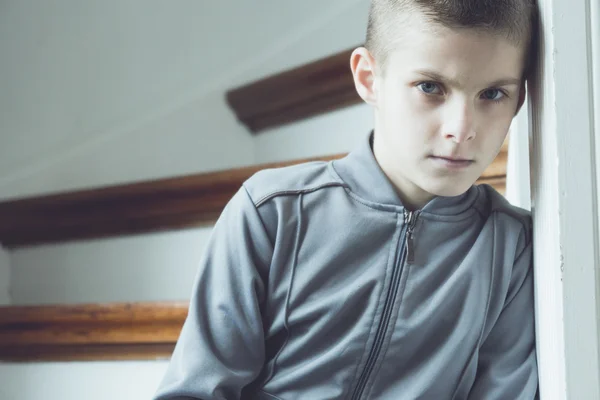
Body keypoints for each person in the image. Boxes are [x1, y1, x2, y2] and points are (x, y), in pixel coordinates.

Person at [154, 0, 539, 398]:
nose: (461, 129)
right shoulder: (272, 212)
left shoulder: (512, 249)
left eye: (492, 94)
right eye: (430, 87)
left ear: (520, 99)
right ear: (369, 78)